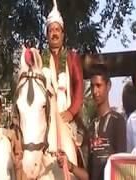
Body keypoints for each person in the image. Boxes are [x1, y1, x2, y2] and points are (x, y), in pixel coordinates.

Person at [42, 0, 84, 149]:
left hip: (68, 119)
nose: (54, 33)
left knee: (85, 152)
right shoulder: (41, 60)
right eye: (51, 30)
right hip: (45, 121)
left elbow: (79, 87)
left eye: (57, 30)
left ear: (63, 33)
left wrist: (71, 112)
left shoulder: (72, 57)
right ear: (47, 35)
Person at [87, 65, 126, 180]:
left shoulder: (118, 121)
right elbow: (89, 175)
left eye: (99, 86)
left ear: (108, 86)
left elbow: (121, 166)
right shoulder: (91, 126)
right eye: (92, 86)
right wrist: (69, 166)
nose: (95, 91)